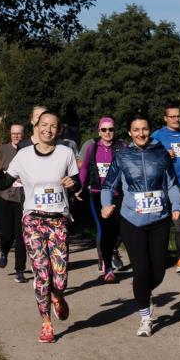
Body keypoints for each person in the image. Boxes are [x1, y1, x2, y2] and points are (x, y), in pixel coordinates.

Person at [0, 111, 80, 343]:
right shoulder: (24, 155)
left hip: (58, 220)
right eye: (44, 125)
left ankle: (58, 295)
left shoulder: (66, 153)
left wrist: (72, 183)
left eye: (53, 126)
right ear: (36, 127)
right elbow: (2, 183)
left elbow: (77, 181)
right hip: (33, 220)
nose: (48, 129)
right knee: (41, 273)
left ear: (59, 130)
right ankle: (46, 323)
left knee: (59, 279)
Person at [101, 112, 180, 337]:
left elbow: (172, 184)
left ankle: (143, 294)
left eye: (145, 129)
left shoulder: (161, 154)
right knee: (141, 271)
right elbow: (108, 186)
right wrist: (106, 205)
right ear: (130, 132)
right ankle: (145, 318)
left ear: (150, 130)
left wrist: (177, 206)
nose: (141, 133)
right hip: (132, 221)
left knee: (158, 272)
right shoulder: (122, 156)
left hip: (159, 219)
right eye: (136, 130)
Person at [78, 117, 125, 283]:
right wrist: (80, 186)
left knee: (120, 228)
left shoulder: (122, 146)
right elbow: (84, 167)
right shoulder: (92, 147)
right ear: (99, 132)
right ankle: (107, 267)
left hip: (117, 194)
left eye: (110, 129)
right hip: (97, 193)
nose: (107, 133)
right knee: (104, 228)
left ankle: (112, 250)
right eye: (104, 130)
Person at [152, 102, 180, 272]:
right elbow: (148, 157)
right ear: (165, 118)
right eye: (172, 116)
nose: (176, 119)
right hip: (163, 184)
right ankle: (158, 257)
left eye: (178, 116)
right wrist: (163, 155)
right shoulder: (157, 136)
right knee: (161, 221)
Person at [0, 122, 27, 284]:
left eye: (19, 133)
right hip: (5, 197)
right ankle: (4, 251)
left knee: (21, 236)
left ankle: (20, 270)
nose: (16, 136)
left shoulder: (29, 150)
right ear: (10, 134)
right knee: (7, 234)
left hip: (23, 198)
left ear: (24, 135)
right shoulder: (2, 150)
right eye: (13, 133)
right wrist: (7, 173)